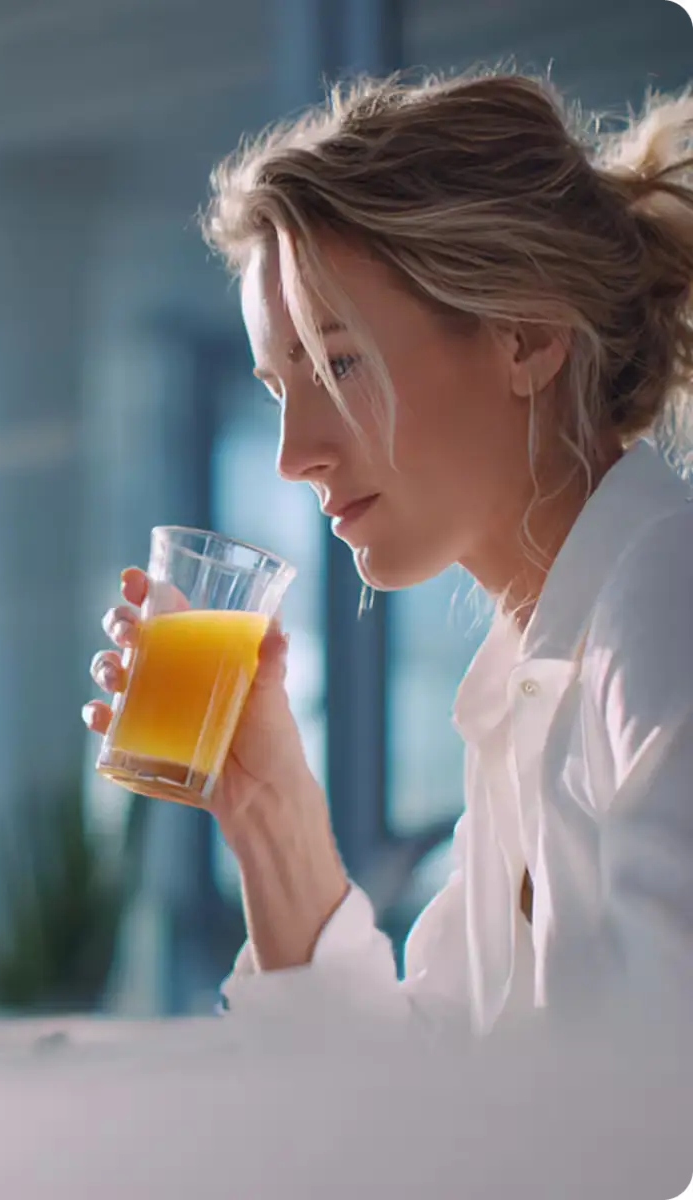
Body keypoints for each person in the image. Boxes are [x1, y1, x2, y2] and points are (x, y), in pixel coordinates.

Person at [83, 69, 693, 1039]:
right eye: (279, 389)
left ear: (526, 336)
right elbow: (426, 1089)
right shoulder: (534, 676)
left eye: (340, 363)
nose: (293, 456)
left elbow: (654, 1095)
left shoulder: (666, 605)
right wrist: (270, 809)